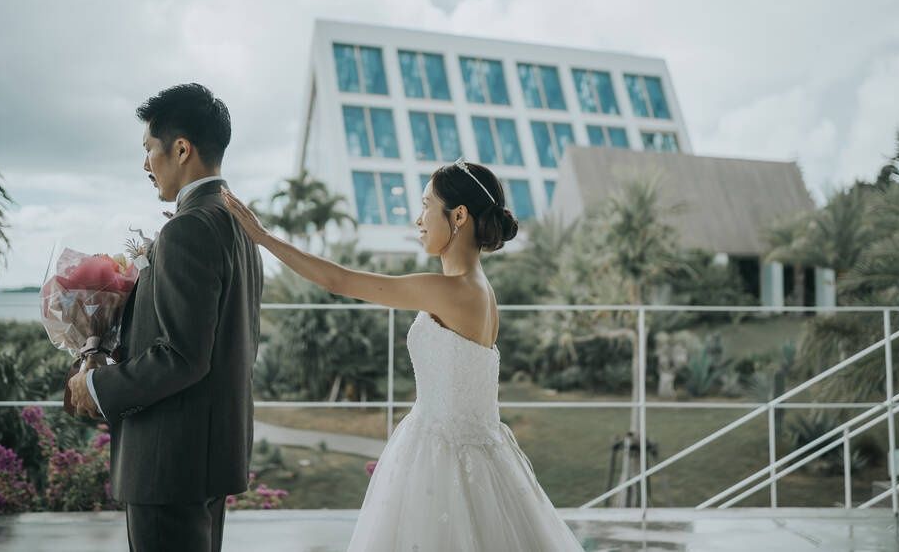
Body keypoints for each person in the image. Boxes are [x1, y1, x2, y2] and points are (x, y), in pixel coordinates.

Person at [222, 158, 585, 551]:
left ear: (459, 216)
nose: (419, 219)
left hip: (441, 457)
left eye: (427, 206)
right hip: (479, 449)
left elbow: (339, 281)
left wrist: (263, 237)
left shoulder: (452, 290)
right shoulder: (479, 289)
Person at [67, 83, 263, 552]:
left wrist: (94, 385)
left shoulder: (188, 228)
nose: (145, 164)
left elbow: (182, 355)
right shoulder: (240, 224)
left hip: (169, 461)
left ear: (181, 149)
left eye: (148, 148)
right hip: (209, 454)